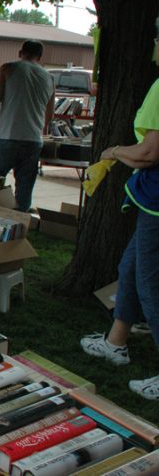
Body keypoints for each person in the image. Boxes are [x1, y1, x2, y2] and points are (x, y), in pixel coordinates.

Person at [80, 30, 159, 400]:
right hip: (150, 204)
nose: (154, 44)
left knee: (151, 283)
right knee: (131, 267)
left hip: (156, 202)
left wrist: (112, 151)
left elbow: (148, 153)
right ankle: (116, 342)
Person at [0, 40, 56, 212]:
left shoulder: (8, 68)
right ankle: (18, 226)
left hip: (7, 137)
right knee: (25, 188)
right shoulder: (49, 78)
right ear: (40, 57)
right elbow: (49, 115)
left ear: (20, 53)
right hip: (33, 141)